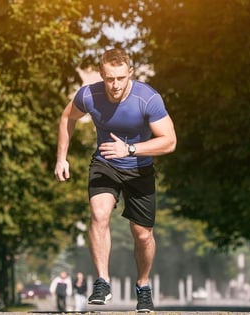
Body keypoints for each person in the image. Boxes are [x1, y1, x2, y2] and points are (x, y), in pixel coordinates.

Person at [54, 48, 177, 312]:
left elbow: (170, 141)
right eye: (110, 78)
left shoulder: (148, 98)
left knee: (142, 235)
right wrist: (61, 158)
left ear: (130, 72)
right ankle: (102, 281)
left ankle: (143, 286)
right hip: (105, 163)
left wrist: (131, 149)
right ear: (102, 75)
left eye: (121, 78)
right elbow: (67, 117)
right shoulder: (89, 95)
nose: (115, 85)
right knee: (99, 215)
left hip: (140, 168)